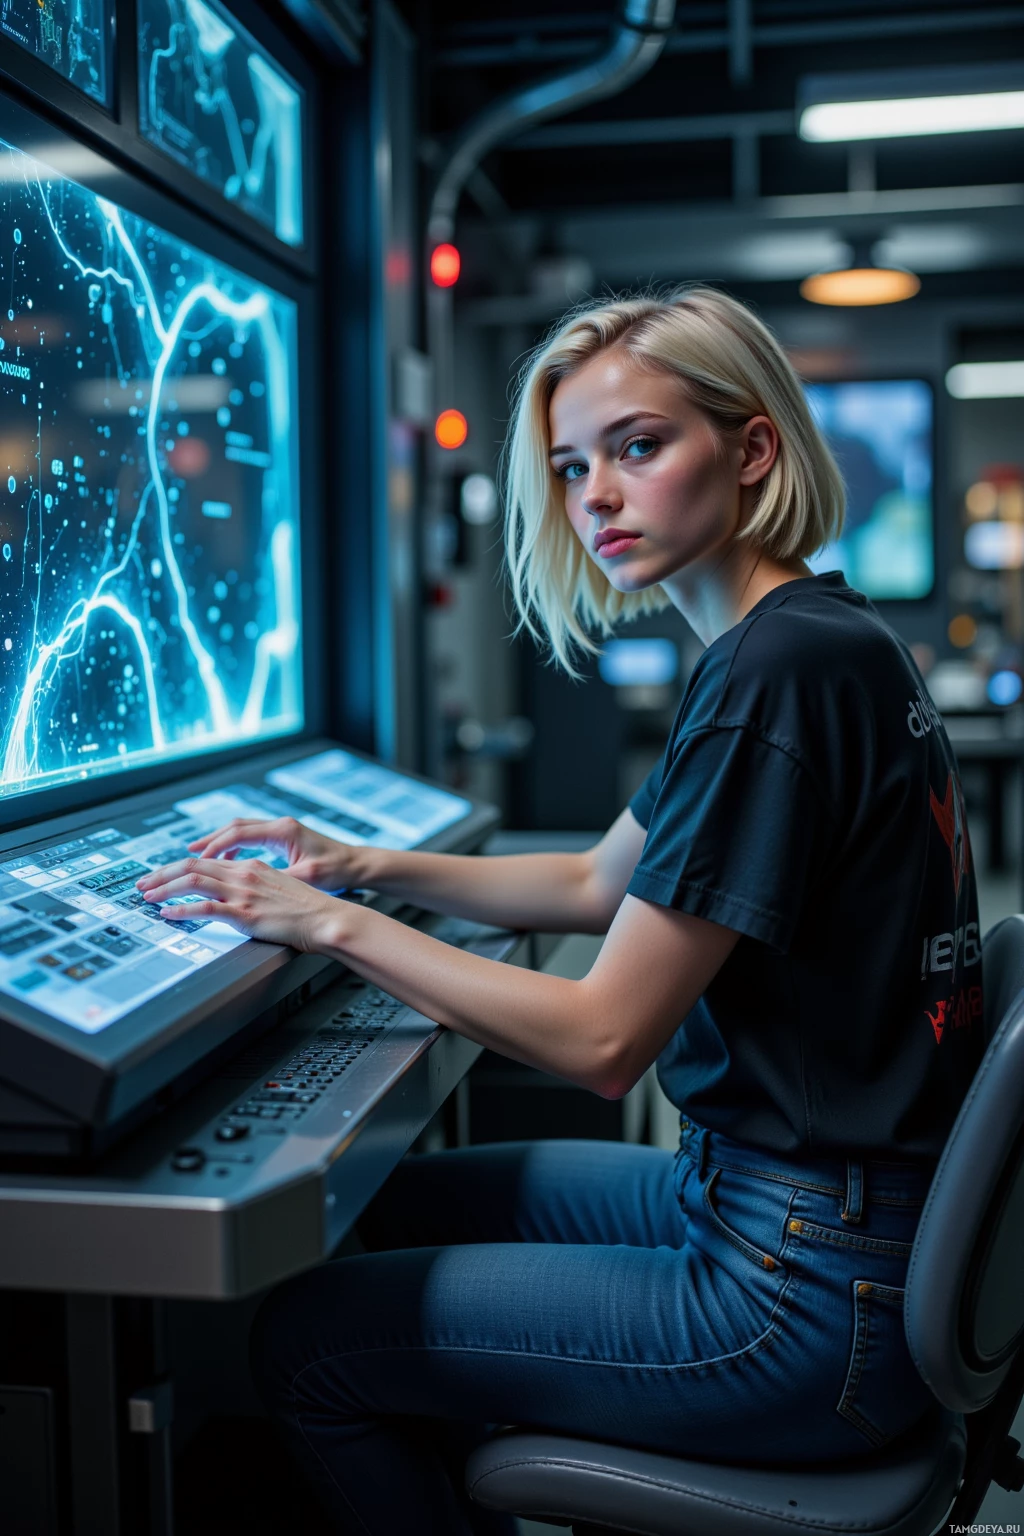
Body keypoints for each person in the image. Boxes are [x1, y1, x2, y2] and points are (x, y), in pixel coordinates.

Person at [138, 288, 983, 1534]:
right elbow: (596, 881)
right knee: (389, 1207)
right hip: (813, 1223)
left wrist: (327, 925)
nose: (596, 497)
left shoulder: (772, 675)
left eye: (638, 447)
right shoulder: (809, 637)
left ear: (752, 450)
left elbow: (601, 1042)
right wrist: (352, 861)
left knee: (310, 1341)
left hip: (801, 1297)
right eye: (573, 465)